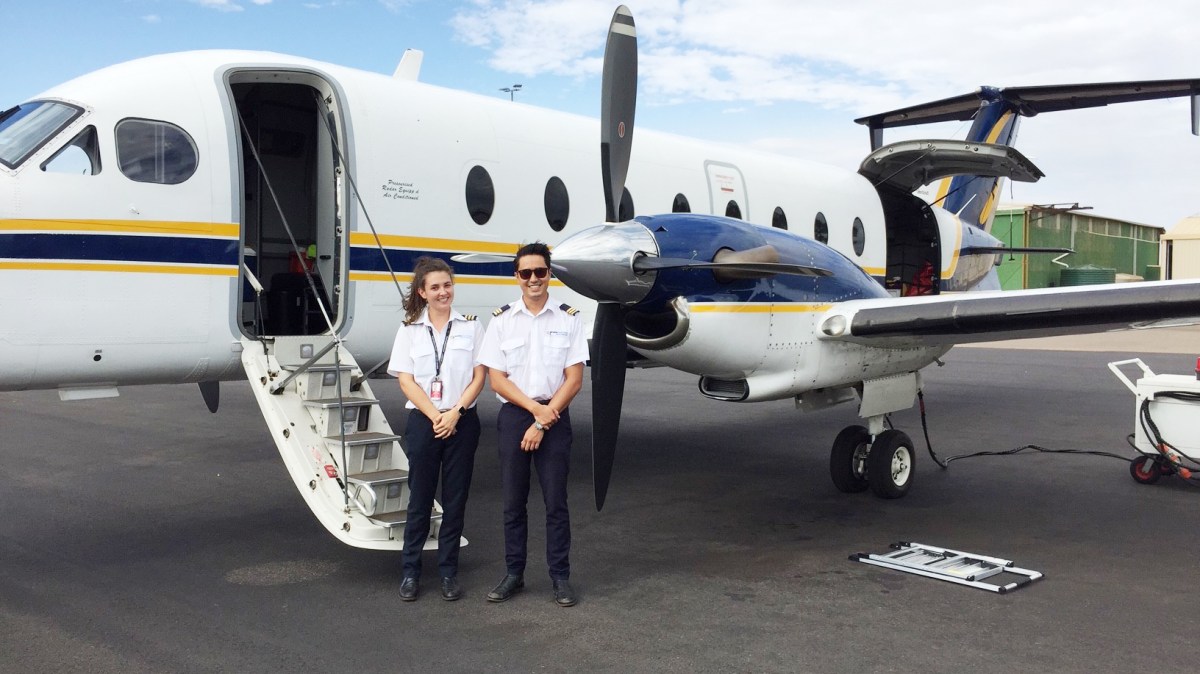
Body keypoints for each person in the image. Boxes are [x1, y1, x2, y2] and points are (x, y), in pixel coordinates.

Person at [477, 242, 589, 607]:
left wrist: (543, 420)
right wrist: (533, 412)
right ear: (517, 277)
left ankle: (560, 577)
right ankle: (514, 573)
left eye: (540, 272)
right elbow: (497, 380)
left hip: (554, 414)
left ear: (550, 274)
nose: (533, 279)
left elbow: (574, 379)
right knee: (513, 502)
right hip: (516, 415)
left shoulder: (569, 318)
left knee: (556, 502)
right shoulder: (502, 320)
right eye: (526, 273)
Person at [387, 256, 486, 602]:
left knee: (456, 499)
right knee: (420, 499)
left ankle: (448, 573)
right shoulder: (409, 330)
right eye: (435, 287)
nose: (443, 292)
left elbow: (479, 377)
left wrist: (456, 412)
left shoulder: (471, 327)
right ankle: (410, 572)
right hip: (424, 421)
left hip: (462, 421)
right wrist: (435, 416)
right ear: (422, 292)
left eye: (447, 285)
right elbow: (406, 380)